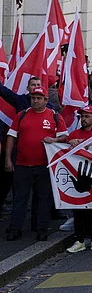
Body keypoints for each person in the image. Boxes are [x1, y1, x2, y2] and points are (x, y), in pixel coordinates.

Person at [5, 87, 67, 241]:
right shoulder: (22, 115)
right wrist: (7, 159)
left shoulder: (55, 116)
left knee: (44, 199)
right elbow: (11, 137)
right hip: (22, 165)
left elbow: (64, 137)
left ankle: (41, 229)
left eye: (39, 98)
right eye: (33, 98)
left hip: (44, 166)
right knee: (20, 199)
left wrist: (54, 140)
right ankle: (15, 228)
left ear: (46, 100)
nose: (36, 101)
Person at [63, 107, 92, 253]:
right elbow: (63, 146)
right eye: (82, 116)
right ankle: (79, 239)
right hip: (77, 175)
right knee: (78, 208)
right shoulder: (74, 134)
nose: (84, 119)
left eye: (87, 116)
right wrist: (70, 141)